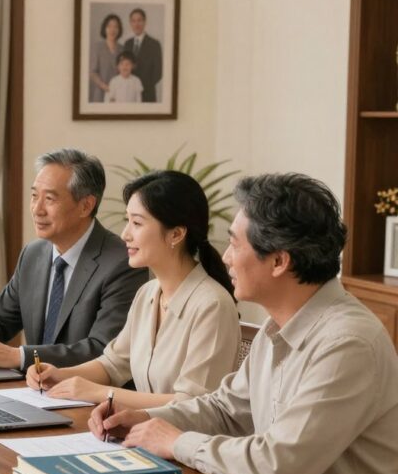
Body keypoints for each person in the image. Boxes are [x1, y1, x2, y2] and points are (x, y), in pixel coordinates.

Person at [94, 174, 398, 474]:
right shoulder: (280, 323)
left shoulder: (347, 343)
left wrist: (175, 442)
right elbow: (227, 409)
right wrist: (145, 421)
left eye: (235, 244)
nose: (225, 258)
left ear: (278, 261)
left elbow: (281, 463)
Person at [27, 171, 239, 408]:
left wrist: (99, 393)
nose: (125, 234)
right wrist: (60, 375)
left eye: (137, 223)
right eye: (128, 221)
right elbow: (113, 364)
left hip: (187, 441)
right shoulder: (147, 293)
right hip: (145, 434)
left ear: (176, 234)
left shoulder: (212, 305)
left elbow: (192, 404)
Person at [0, 148, 148, 370]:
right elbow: (0, 317)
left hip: (89, 396)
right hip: (34, 390)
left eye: (49, 199)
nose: (37, 209)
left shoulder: (122, 262)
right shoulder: (34, 253)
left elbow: (102, 349)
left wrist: (21, 356)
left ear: (86, 206)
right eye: (34, 196)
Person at [124, 8, 163, 103]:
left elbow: (158, 72)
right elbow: (124, 67)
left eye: (139, 20)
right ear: (130, 23)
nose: (136, 24)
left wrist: (141, 87)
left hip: (147, 94)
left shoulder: (154, 44)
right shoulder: (127, 44)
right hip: (129, 94)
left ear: (144, 22)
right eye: (133, 21)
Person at [88, 13, 123, 103]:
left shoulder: (122, 49)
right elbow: (92, 72)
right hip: (100, 93)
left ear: (119, 30)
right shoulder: (97, 47)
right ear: (104, 28)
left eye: (116, 27)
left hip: (118, 94)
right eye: (109, 26)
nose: (112, 29)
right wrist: (105, 87)